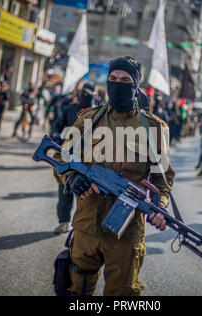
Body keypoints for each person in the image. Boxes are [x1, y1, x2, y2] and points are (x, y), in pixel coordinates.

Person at [54, 56, 174, 296]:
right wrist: (72, 178)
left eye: (125, 80)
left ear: (136, 87)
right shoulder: (88, 119)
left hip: (126, 232)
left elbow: (162, 178)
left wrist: (159, 206)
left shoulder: (153, 127)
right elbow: (61, 159)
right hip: (86, 228)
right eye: (113, 79)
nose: (118, 84)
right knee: (76, 293)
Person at [51, 82, 96, 234]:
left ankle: (81, 228)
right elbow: (56, 127)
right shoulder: (69, 110)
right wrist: (59, 143)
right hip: (68, 157)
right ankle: (63, 221)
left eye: (88, 94)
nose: (84, 96)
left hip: (88, 162)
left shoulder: (99, 115)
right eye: (83, 92)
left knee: (86, 195)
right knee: (65, 190)